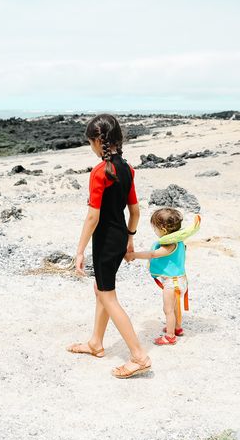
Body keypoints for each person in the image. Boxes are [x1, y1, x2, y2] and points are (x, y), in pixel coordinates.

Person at [66, 114, 151, 379]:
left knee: (108, 296)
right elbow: (134, 211)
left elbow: (93, 216)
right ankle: (96, 343)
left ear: (96, 141)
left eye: (90, 141)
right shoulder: (126, 168)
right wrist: (129, 238)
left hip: (104, 243)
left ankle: (139, 356)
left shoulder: (100, 172)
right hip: (118, 239)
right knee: (101, 289)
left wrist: (79, 251)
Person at [125, 208, 189, 345]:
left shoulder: (170, 245)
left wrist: (134, 255)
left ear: (163, 229)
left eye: (155, 229)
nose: (155, 231)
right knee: (175, 306)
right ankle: (177, 328)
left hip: (172, 282)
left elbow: (153, 254)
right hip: (180, 279)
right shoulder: (179, 241)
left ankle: (170, 336)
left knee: (168, 309)